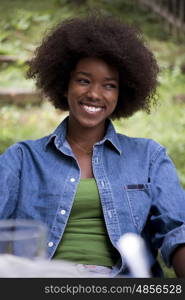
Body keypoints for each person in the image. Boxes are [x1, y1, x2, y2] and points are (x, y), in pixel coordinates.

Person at [0, 12, 185, 278]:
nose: (95, 94)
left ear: (121, 94)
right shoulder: (22, 159)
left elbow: (177, 231)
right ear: (65, 85)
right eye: (84, 80)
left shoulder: (149, 157)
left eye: (109, 85)